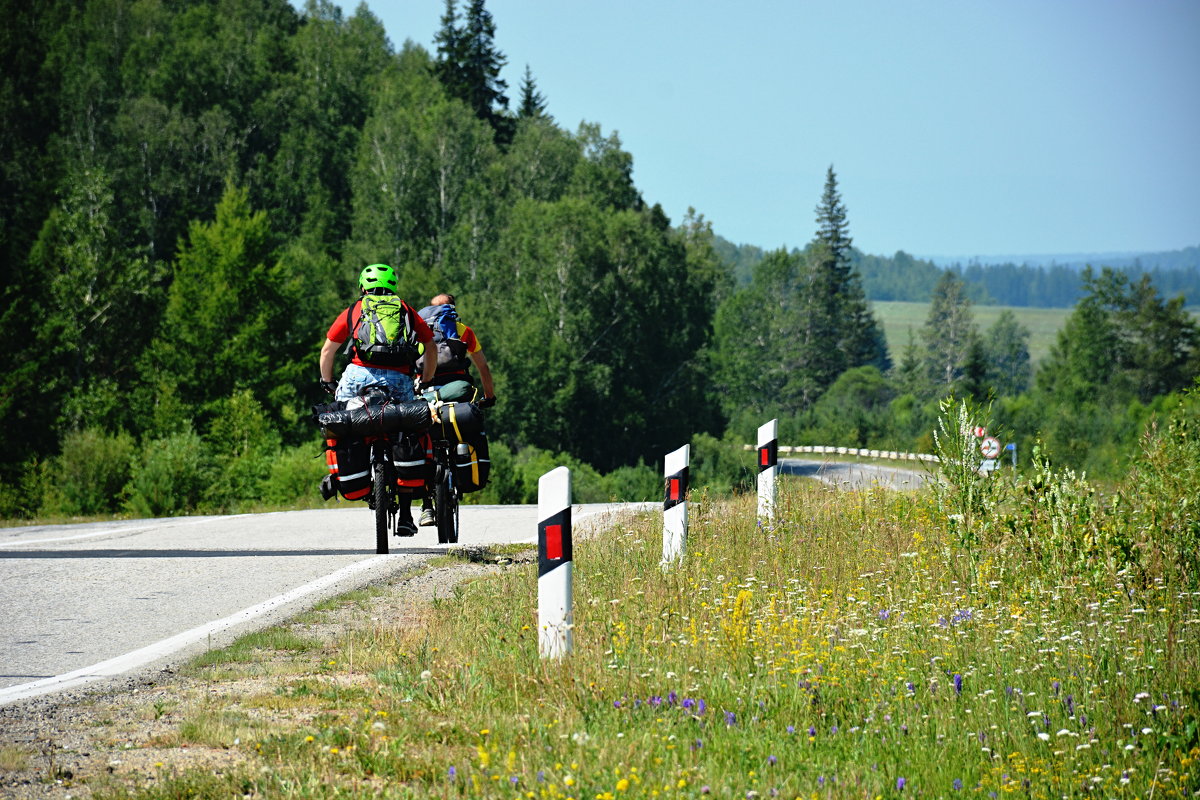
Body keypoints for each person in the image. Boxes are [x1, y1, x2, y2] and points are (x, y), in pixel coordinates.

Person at [319, 263, 435, 534]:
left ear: (363, 286)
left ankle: (339, 473)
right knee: (407, 431)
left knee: (340, 418)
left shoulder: (355, 310)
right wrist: (426, 379)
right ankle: (406, 515)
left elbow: (328, 351)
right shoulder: (405, 309)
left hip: (358, 376)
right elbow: (430, 346)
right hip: (397, 381)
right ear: (393, 285)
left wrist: (327, 382)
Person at [415, 293, 496, 527]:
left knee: (421, 445)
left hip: (426, 394)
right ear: (452, 308)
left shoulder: (418, 332)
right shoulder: (463, 330)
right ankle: (463, 477)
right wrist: (489, 396)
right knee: (468, 428)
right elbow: (483, 367)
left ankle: (426, 507)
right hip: (458, 393)